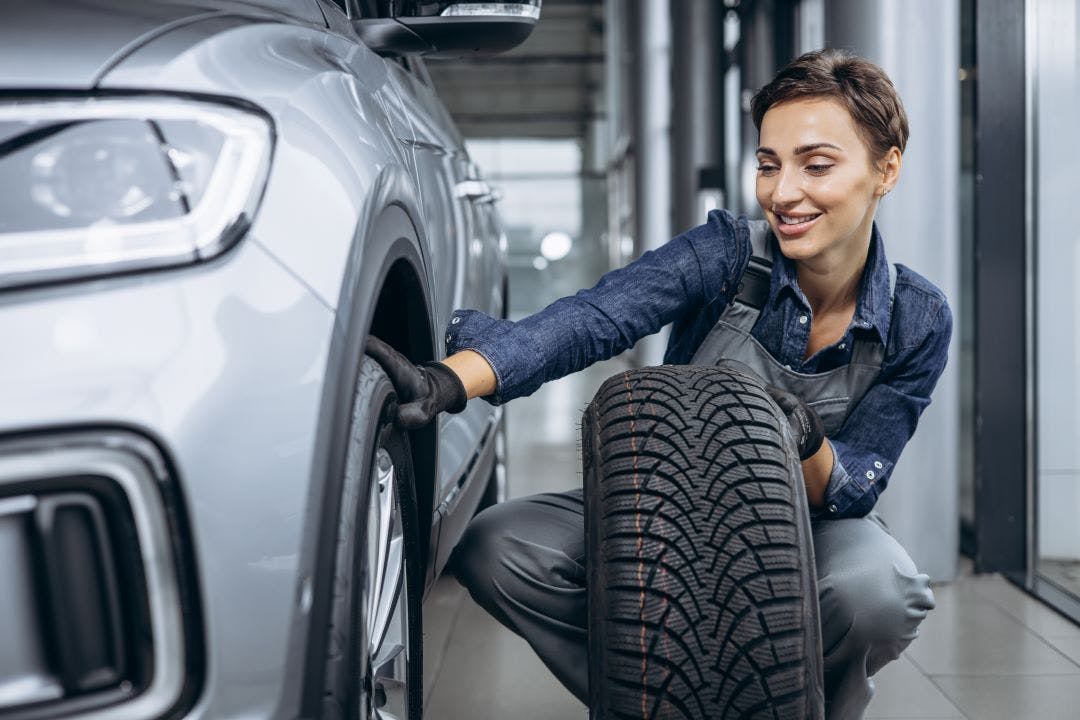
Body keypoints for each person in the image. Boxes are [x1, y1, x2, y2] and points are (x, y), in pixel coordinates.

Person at [369, 48, 950, 720]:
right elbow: (593, 319)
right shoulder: (728, 254)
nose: (783, 193)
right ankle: (662, 701)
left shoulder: (918, 317)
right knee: (496, 546)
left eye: (816, 165)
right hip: (667, 505)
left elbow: (852, 486)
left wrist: (803, 433)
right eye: (768, 165)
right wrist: (447, 381)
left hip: (806, 525)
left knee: (880, 592)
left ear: (886, 169)